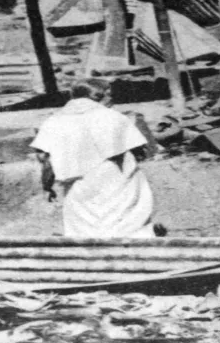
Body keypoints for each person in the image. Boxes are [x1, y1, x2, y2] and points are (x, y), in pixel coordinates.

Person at [31, 78, 157, 238]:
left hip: (80, 185)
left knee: (86, 228)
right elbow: (145, 152)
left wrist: (47, 187)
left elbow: (47, 161)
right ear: (99, 96)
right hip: (117, 181)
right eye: (109, 95)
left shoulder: (52, 121)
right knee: (128, 227)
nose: (112, 99)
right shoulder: (113, 117)